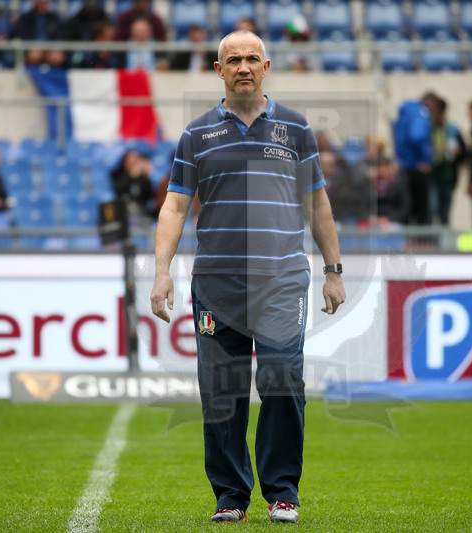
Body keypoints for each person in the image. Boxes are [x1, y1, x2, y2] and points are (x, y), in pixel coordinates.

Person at [150, 30, 345, 525]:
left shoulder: (297, 129)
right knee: (221, 390)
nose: (242, 66)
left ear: (266, 66)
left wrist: (334, 271)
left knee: (282, 380)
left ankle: (283, 492)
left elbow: (317, 202)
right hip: (217, 282)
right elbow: (174, 206)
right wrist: (161, 272)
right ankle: (230, 495)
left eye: (251, 59)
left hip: (281, 280)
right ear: (218, 70)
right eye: (232, 59)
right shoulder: (196, 134)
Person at [394, 92, 438, 227]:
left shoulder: (405, 114)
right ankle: (423, 243)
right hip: (416, 166)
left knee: (406, 205)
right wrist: (424, 159)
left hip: (404, 164)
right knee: (422, 207)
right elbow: (417, 136)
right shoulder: (421, 112)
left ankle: (406, 241)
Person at [428, 97, 465, 226]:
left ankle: (444, 242)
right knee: (432, 208)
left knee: (445, 212)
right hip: (432, 175)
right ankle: (433, 241)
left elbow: (463, 151)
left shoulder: (452, 129)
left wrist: (457, 152)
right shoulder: (428, 128)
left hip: (447, 176)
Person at [10, 0, 65, 67]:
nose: (45, 6)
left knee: (57, 57)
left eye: (46, 3)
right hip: (32, 48)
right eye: (42, 3)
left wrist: (53, 48)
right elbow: (22, 35)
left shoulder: (55, 18)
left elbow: (59, 36)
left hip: (50, 48)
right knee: (35, 55)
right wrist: (32, 46)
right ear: (35, 4)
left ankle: (53, 75)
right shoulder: (25, 18)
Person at [110, 149, 155, 217]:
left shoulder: (142, 178)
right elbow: (117, 188)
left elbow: (149, 196)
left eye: (136, 162)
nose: (134, 165)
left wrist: (146, 177)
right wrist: (131, 175)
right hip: (122, 213)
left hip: (141, 214)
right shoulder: (116, 175)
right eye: (131, 162)